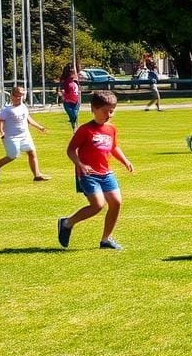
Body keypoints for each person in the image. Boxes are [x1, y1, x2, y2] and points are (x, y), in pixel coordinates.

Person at [57, 91, 134, 250]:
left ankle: (106, 239)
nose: (109, 114)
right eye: (105, 111)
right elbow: (71, 150)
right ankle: (67, 223)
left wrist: (125, 161)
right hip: (88, 174)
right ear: (93, 109)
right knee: (98, 205)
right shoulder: (85, 130)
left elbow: (114, 147)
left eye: (112, 110)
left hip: (106, 173)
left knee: (116, 202)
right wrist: (80, 164)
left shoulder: (111, 129)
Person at [0, 85, 50, 182]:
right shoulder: (7, 110)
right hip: (11, 137)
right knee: (12, 155)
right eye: (17, 95)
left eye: (21, 95)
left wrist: (39, 127)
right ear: (12, 96)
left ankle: (37, 175)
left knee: (31, 152)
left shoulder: (23, 107)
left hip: (25, 135)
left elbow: (28, 119)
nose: (19, 98)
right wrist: (1, 132)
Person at [58, 65, 81, 131]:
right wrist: (62, 95)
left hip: (75, 101)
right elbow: (62, 90)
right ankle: (74, 128)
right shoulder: (65, 82)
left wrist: (78, 96)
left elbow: (78, 90)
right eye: (73, 73)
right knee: (72, 115)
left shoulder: (75, 81)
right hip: (67, 101)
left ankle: (76, 128)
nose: (74, 75)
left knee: (75, 115)